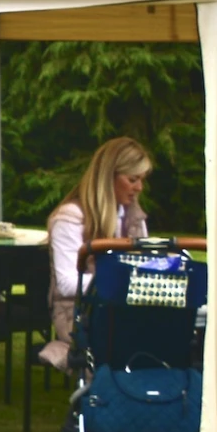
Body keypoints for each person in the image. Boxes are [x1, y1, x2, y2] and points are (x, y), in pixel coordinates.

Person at [35, 137, 153, 371]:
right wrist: (125, 281)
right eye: (132, 179)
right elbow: (68, 283)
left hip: (123, 309)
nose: (139, 187)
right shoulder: (70, 217)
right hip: (78, 313)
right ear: (109, 177)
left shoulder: (134, 217)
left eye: (141, 180)